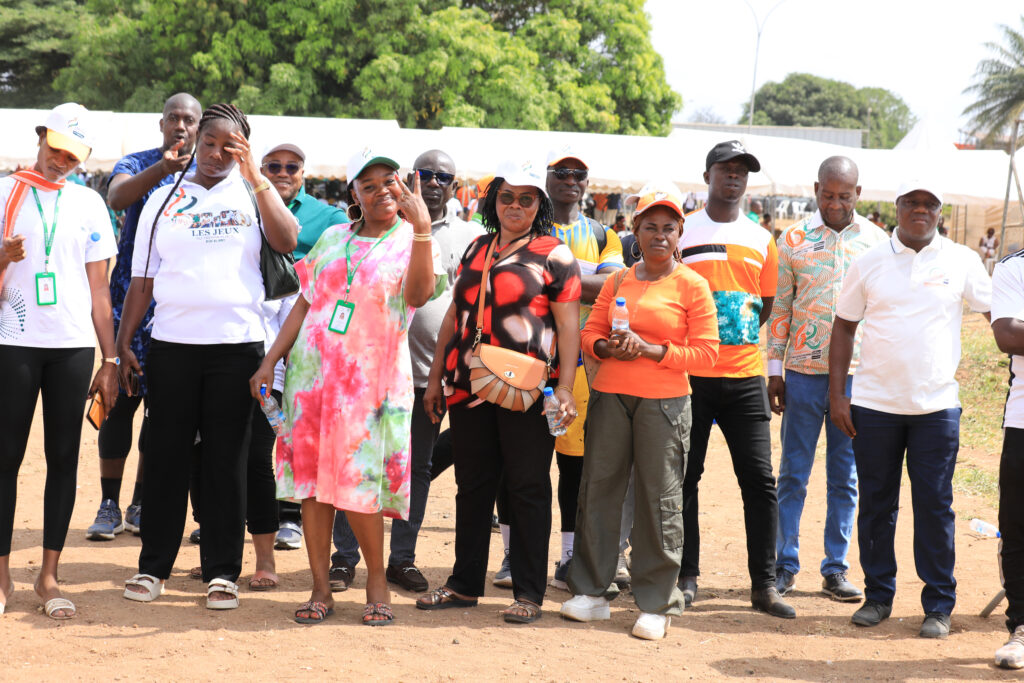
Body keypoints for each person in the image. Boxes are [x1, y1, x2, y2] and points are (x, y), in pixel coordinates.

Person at [118, 104, 298, 610]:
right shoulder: (163, 198)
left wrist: (256, 175)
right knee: (166, 459)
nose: (217, 154)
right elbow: (142, 280)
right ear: (196, 140)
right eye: (210, 143)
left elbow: (286, 239)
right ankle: (153, 567)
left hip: (237, 349)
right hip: (172, 346)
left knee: (226, 462)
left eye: (229, 147)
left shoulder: (254, 193)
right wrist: (122, 344)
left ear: (244, 149)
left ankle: (223, 573)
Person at [253, 147, 440, 625]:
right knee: (313, 487)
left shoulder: (414, 239)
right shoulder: (334, 237)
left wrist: (421, 228)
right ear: (354, 193)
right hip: (311, 381)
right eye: (368, 185)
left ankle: (377, 581)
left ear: (403, 186)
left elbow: (419, 295)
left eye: (389, 182)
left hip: (369, 389)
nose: (381, 192)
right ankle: (321, 588)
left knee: (359, 483)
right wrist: (270, 361)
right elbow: (305, 302)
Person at [417, 158, 581, 624]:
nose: (515, 206)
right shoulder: (477, 247)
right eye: (507, 197)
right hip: (468, 384)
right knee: (472, 486)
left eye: (526, 199)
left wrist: (565, 388)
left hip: (527, 389)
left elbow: (569, 327)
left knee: (528, 486)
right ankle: (464, 584)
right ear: (494, 201)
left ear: (538, 204)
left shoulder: (555, 255)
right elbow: (455, 314)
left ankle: (529, 592)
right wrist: (437, 376)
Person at [830, 180, 991, 638]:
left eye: (929, 203)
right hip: (874, 405)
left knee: (935, 506)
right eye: (911, 202)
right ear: (897, 207)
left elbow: (996, 315)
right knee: (877, 504)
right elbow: (844, 326)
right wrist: (838, 395)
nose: (920, 209)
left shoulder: (962, 260)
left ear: (941, 211)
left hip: (936, 408)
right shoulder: (870, 261)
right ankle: (878, 596)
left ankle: (938, 604)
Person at [560, 182, 719, 640]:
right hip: (610, 396)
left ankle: (656, 602)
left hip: (664, 404)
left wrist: (649, 350)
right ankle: (592, 592)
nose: (659, 235)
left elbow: (706, 354)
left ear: (680, 233)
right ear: (635, 230)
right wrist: (607, 347)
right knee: (598, 491)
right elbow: (590, 332)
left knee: (659, 499)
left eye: (668, 228)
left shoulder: (692, 285)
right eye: (650, 227)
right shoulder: (618, 281)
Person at [329, 149, 483, 593]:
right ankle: (344, 559)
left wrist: (443, 374)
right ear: (409, 178)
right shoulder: (379, 226)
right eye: (424, 174)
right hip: (369, 373)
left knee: (414, 468)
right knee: (358, 462)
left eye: (443, 177)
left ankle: (402, 560)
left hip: (426, 376)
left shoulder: (470, 235)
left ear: (455, 187)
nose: (433, 182)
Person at [0, 103, 119, 619]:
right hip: (13, 341)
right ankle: (2, 577)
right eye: (56, 149)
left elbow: (100, 289)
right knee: (5, 459)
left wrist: (109, 358)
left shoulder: (90, 203)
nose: (61, 161)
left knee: (64, 459)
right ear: (41, 137)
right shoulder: (5, 193)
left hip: (72, 346)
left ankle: (48, 577)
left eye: (73, 156)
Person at [678, 141, 794, 619]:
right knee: (685, 478)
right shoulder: (683, 230)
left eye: (742, 171)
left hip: (745, 376)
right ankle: (685, 576)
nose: (734, 177)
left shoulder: (761, 238)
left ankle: (764, 585)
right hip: (691, 376)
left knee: (760, 481)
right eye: (725, 169)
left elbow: (764, 307)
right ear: (707, 175)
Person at [767, 157, 887, 603]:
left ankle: (835, 568)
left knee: (846, 477)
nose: (835, 203)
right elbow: (781, 309)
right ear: (816, 189)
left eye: (844, 196)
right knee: (792, 474)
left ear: (859, 193)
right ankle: (784, 564)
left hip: (857, 380)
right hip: (802, 375)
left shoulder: (878, 244)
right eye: (828, 194)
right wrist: (774, 371)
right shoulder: (793, 240)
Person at [88, 92, 202, 541]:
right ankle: (108, 504)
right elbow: (117, 197)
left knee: (162, 417)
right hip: (130, 306)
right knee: (118, 408)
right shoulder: (136, 162)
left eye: (189, 119)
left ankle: (140, 502)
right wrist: (162, 169)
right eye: (173, 117)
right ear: (161, 123)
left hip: (177, 311)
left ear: (199, 126)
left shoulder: (208, 172)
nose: (180, 126)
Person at [541, 144, 624, 591]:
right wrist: (580, 281)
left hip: (582, 367)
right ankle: (515, 557)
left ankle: (570, 558)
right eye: (562, 172)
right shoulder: (530, 222)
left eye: (579, 174)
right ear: (546, 177)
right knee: (527, 465)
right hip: (531, 361)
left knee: (574, 467)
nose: (570, 180)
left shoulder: (601, 233)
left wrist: (549, 276)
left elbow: (611, 286)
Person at [258, 141, 348, 552]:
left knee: (294, 429)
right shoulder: (246, 205)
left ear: (303, 174)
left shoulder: (327, 217)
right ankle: (247, 512)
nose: (282, 173)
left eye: (291, 167)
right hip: (254, 332)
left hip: (306, 340)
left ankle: (290, 515)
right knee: (257, 429)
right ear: (261, 170)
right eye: (273, 166)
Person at [990, 251, 1024, 667]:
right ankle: (1022, 626)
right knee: (1018, 527)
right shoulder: (1014, 267)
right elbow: (1009, 334)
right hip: (1023, 420)